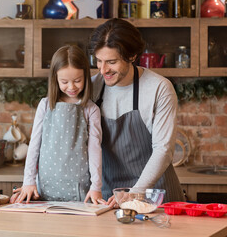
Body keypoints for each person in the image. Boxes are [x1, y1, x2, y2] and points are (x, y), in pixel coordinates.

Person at [89, 18, 185, 207]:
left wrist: (136, 192)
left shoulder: (159, 88)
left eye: (111, 62)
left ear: (132, 56)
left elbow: (163, 149)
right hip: (109, 199)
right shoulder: (92, 87)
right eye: (98, 61)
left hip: (155, 196)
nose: (103, 70)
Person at [10, 45, 103, 204]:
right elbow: (34, 145)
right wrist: (28, 181)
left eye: (77, 80)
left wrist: (96, 186)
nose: (72, 87)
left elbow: (95, 150)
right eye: (64, 81)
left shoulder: (91, 109)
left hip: (79, 188)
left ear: (86, 77)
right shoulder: (45, 105)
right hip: (45, 187)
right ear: (55, 79)